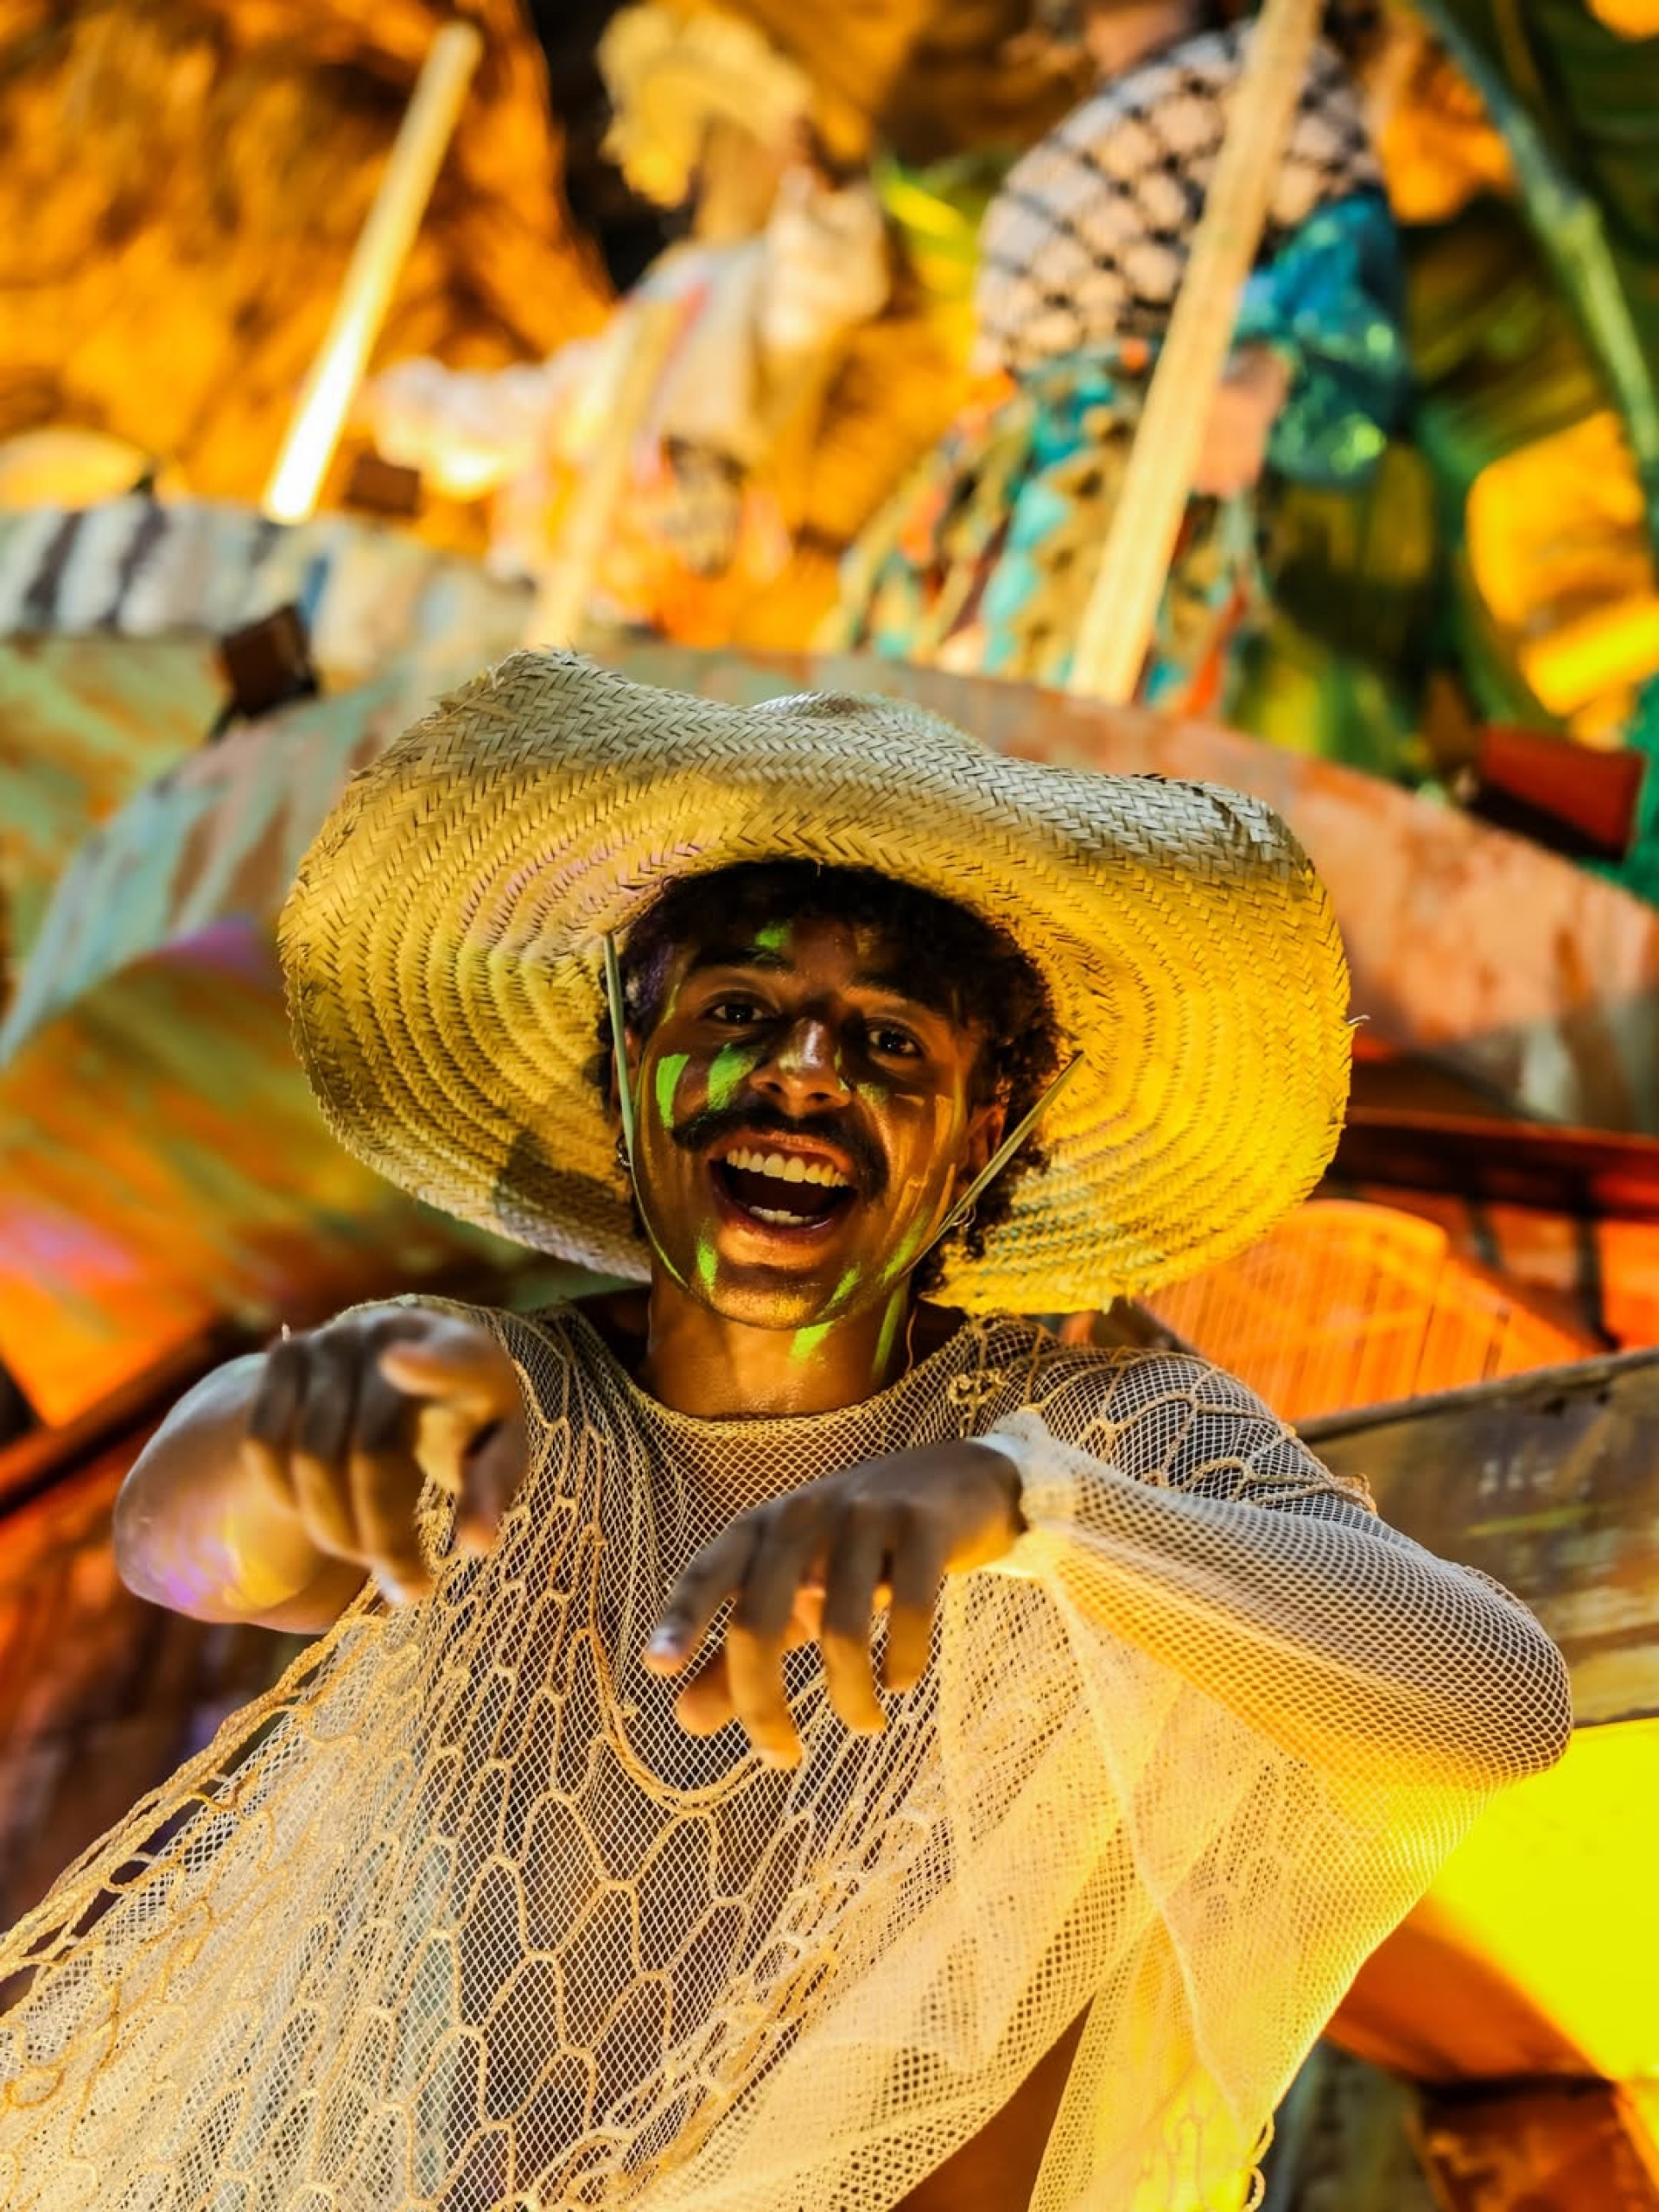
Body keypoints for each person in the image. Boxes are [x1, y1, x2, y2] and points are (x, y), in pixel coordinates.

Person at [0, 654, 1568, 2211]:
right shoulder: (513, 1412)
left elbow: (1499, 1702)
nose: (801, 1079)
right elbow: (174, 1546)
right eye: (740, 1010)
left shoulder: (1093, 1436)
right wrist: (304, 1394)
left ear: (988, 1134)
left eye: (888, 1042)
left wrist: (1033, 1510)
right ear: (627, 1077)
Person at [835, 0, 1410, 719]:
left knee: (1019, 757)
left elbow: (1344, 261)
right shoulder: (1071, 125)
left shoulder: (1268, 66)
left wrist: (1262, 377)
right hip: (999, 471)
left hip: (1120, 463)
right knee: (874, 754)